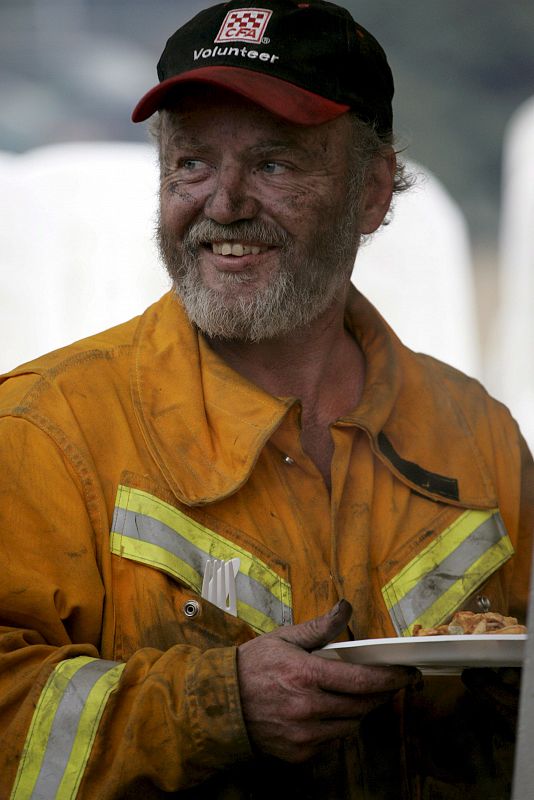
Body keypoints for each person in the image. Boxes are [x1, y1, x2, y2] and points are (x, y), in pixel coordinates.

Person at [0, 1, 532, 798]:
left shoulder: (478, 433)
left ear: (373, 191)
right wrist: (218, 706)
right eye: (191, 163)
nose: (223, 204)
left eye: (274, 164)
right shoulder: (46, 429)